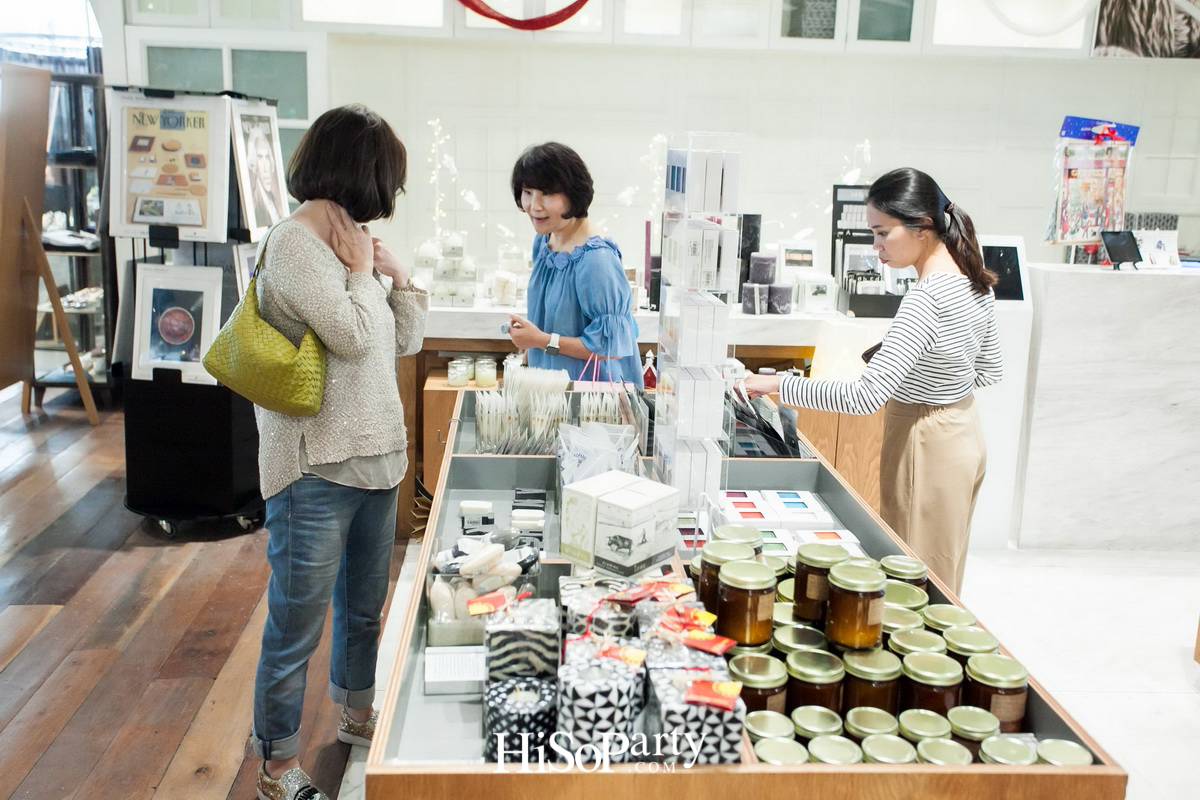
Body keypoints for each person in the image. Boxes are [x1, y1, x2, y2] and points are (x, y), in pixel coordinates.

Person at [250, 104, 427, 800]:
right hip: (315, 467)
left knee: (362, 610)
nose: (391, 194)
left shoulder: (351, 238)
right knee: (296, 622)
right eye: (389, 176)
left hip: (378, 459)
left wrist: (400, 278)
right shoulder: (296, 245)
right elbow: (352, 337)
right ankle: (275, 764)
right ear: (364, 172)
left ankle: (356, 716)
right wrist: (361, 273)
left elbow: (400, 341)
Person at [743, 168, 1002, 595]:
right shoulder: (977, 283)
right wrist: (931, 368)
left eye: (883, 233)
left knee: (913, 580)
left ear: (923, 226)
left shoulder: (927, 297)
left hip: (926, 441)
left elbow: (865, 398)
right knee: (944, 568)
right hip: (965, 434)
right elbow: (989, 370)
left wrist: (774, 385)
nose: (875, 247)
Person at [505, 142, 642, 387]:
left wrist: (541, 340)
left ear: (573, 193)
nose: (534, 205)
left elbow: (611, 348)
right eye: (528, 192)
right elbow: (546, 323)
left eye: (546, 193)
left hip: (591, 401)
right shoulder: (545, 241)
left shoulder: (596, 260)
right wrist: (528, 359)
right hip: (551, 391)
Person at [248, 126, 287, 228]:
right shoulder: (254, 204)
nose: (266, 167)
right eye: (260, 157)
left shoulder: (275, 201)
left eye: (267, 157)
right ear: (253, 164)